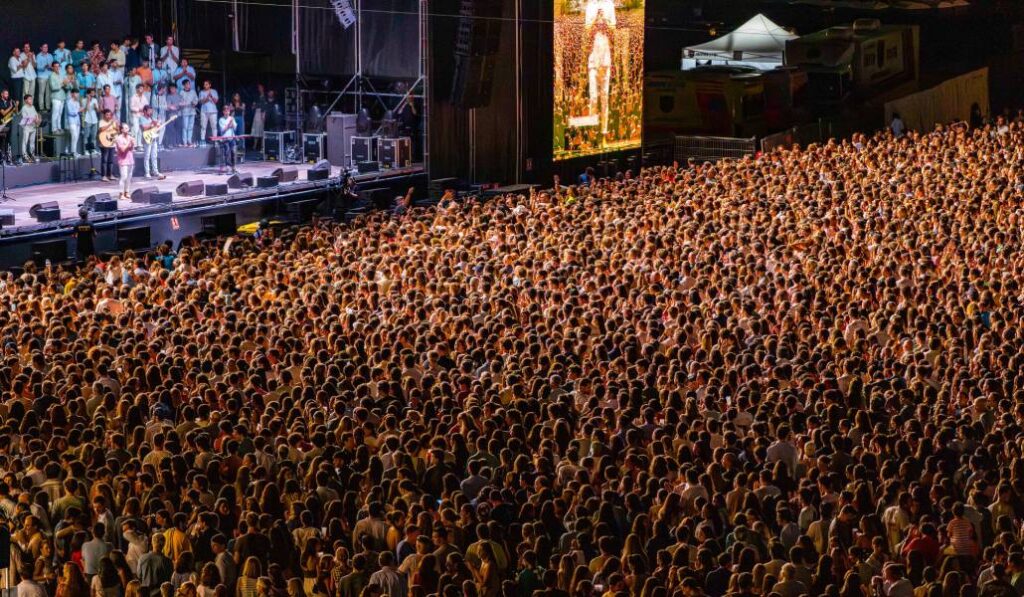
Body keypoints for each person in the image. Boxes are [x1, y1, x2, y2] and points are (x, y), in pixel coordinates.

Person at [138, 105, 166, 180]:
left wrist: (158, 125)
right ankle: (147, 173)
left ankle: (155, 171)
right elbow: (143, 127)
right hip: (147, 139)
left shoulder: (152, 118)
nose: (151, 112)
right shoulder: (141, 118)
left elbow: (157, 129)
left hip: (153, 139)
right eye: (149, 110)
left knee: (154, 156)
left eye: (151, 110)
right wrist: (152, 124)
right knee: (147, 156)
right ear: (144, 111)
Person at [114, 122, 135, 199]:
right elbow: (122, 149)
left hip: (130, 159)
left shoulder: (129, 137)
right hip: (123, 160)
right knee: (124, 177)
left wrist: (132, 143)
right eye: (125, 128)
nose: (127, 130)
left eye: (127, 128)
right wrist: (129, 142)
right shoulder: (119, 138)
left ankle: (127, 192)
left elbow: (131, 149)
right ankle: (121, 193)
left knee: (129, 177)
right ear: (121, 130)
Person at [216, 105, 238, 173]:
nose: (227, 112)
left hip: (232, 137)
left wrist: (232, 123)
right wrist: (229, 125)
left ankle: (234, 167)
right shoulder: (221, 120)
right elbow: (223, 130)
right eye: (225, 111)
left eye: (228, 111)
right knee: (227, 152)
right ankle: (228, 166)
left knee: (233, 152)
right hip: (225, 138)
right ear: (223, 112)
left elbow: (235, 128)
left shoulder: (232, 118)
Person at [19, 93, 40, 162]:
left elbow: (36, 114)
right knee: (25, 142)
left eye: (31, 99)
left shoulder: (33, 107)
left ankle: (32, 154)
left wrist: (37, 119)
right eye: (30, 99)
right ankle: (24, 155)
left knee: (32, 142)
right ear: (25, 100)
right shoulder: (24, 108)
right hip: (27, 128)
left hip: (33, 127)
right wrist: (33, 119)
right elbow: (25, 118)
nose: (31, 100)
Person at [198, 81, 218, 146]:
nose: (205, 86)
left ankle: (215, 140)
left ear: (210, 85)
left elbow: (216, 101)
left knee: (214, 126)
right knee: (203, 126)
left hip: (213, 111)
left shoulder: (214, 91)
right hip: (204, 111)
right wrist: (207, 98)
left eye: (206, 84)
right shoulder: (201, 92)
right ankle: (202, 140)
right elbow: (201, 102)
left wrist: (211, 96)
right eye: (204, 84)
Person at [48, 62, 66, 133]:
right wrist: (62, 84)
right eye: (55, 66)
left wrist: (67, 83)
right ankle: (54, 129)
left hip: (62, 96)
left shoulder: (61, 75)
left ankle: (59, 127)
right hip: (55, 97)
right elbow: (53, 87)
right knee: (55, 114)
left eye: (58, 66)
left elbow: (65, 84)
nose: (57, 68)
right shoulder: (52, 75)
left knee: (60, 114)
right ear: (52, 68)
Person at [178, 79, 197, 147]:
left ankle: (189, 141)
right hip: (185, 112)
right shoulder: (181, 92)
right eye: (187, 84)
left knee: (190, 127)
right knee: (185, 127)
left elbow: (196, 100)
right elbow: (179, 102)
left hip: (192, 111)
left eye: (189, 84)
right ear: (184, 85)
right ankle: (184, 142)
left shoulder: (193, 91)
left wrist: (194, 103)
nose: (189, 85)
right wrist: (183, 104)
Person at [82, 88, 100, 156]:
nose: (93, 94)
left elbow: (98, 111)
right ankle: (86, 150)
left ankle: (93, 149)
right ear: (88, 94)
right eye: (91, 93)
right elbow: (86, 109)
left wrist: (96, 108)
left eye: (93, 93)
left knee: (93, 136)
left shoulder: (95, 100)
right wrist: (88, 100)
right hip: (87, 119)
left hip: (94, 119)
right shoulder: (84, 100)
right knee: (86, 135)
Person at [65, 89, 82, 157]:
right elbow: (70, 112)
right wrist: (78, 110)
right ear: (72, 94)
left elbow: (78, 112)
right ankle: (73, 152)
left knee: (76, 137)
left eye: (78, 93)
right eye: (76, 93)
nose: (77, 95)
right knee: (74, 136)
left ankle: (74, 151)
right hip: (71, 121)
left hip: (77, 122)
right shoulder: (68, 102)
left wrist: (80, 110)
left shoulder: (77, 102)